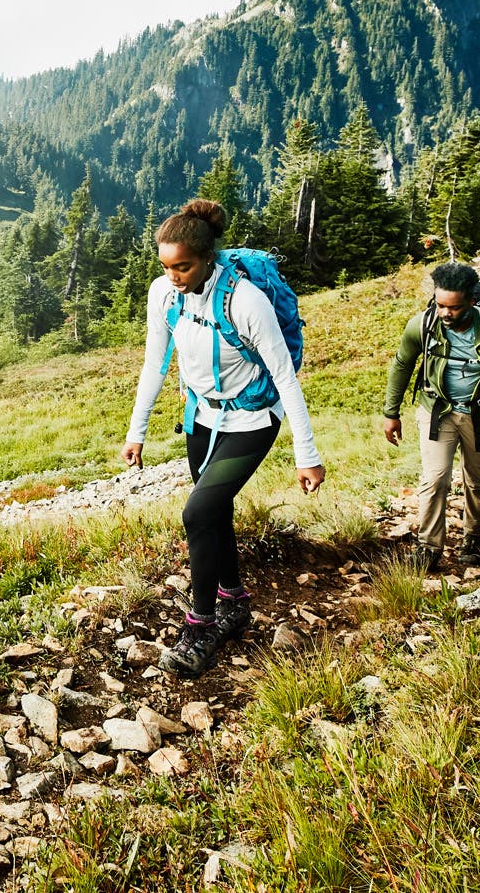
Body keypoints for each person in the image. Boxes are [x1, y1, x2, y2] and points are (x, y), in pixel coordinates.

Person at [122, 198, 324, 678]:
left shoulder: (245, 301)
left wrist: (307, 454)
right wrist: (136, 431)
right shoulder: (163, 295)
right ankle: (234, 599)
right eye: (166, 267)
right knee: (215, 513)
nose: (173, 277)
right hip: (202, 417)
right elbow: (155, 364)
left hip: (252, 421)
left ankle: (201, 627)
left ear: (207, 257)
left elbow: (285, 375)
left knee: (196, 513)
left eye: (183, 267)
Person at [380, 261, 480, 572]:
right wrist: (391, 413)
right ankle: (428, 548)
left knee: (477, 480)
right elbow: (402, 365)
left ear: (471, 301)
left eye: (453, 308)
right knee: (435, 477)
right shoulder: (422, 325)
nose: (445, 313)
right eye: (440, 305)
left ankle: (473, 542)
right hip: (437, 411)